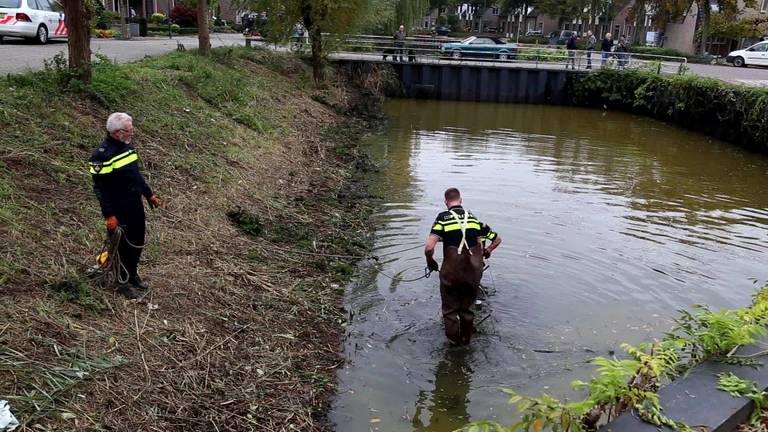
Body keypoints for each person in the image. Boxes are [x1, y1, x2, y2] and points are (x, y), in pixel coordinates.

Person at [89, 113, 161, 299]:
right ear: (117, 132)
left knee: (137, 242)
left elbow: (136, 175)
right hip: (118, 208)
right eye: (129, 130)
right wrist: (109, 215)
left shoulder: (128, 148)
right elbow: (100, 189)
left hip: (134, 204)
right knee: (122, 246)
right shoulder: (101, 155)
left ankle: (132, 274)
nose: (132, 133)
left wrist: (149, 194)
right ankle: (120, 281)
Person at [424, 188, 501, 345]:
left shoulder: (443, 218)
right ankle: (466, 342)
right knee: (467, 310)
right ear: (461, 200)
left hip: (451, 275)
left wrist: (430, 261)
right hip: (472, 275)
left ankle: (454, 346)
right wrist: (488, 250)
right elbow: (497, 239)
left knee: (450, 311)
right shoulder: (474, 219)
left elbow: (429, 248)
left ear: (446, 202)